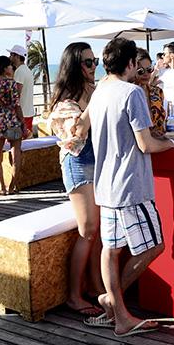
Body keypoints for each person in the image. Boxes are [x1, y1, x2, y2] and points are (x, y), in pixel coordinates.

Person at [84, 38, 174, 336]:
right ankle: (116, 307)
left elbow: (83, 127)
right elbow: (146, 144)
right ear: (130, 63)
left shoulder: (100, 91)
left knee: (111, 250)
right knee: (155, 245)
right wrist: (173, 142)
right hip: (130, 185)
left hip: (106, 184)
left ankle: (116, 310)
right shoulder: (132, 93)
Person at [48, 42, 105, 317]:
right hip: (79, 163)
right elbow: (77, 134)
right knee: (88, 229)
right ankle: (73, 295)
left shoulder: (93, 90)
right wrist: (97, 99)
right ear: (74, 66)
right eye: (88, 62)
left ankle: (95, 286)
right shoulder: (66, 102)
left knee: (99, 230)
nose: (94, 67)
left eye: (96, 61)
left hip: (98, 163)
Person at [0, 55, 26, 196]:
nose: (12, 68)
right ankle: (12, 186)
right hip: (13, 120)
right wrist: (23, 122)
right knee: (16, 155)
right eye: (10, 66)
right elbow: (16, 105)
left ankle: (1, 187)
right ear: (4, 68)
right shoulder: (12, 84)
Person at [135, 48, 166, 137]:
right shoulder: (129, 95)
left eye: (149, 69)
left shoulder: (157, 92)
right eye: (140, 71)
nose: (146, 74)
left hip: (160, 142)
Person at [8, 45, 35, 137]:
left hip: (22, 113)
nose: (9, 57)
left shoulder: (19, 71)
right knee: (26, 140)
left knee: (19, 140)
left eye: (11, 55)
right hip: (28, 111)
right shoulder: (26, 70)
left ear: (17, 56)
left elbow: (16, 94)